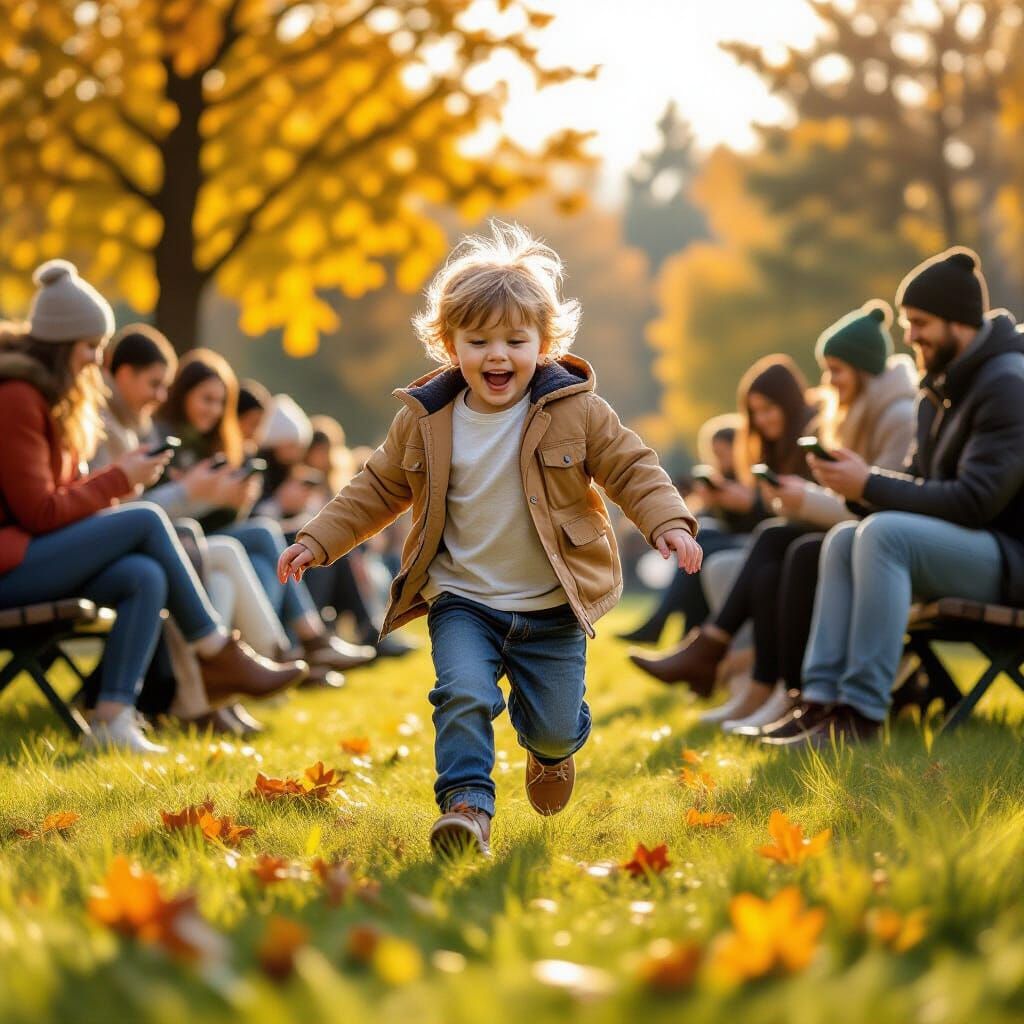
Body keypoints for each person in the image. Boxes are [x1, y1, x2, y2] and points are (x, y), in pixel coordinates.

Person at [278, 221, 702, 857]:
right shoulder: (424, 419)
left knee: (554, 727)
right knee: (462, 695)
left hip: (551, 605)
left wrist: (668, 521)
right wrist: (317, 539)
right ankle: (468, 808)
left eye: (514, 340)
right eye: (478, 341)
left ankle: (553, 753)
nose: (496, 355)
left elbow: (630, 466)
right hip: (463, 600)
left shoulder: (576, 409)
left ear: (544, 343)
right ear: (450, 345)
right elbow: (374, 489)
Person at [0, 261, 307, 753]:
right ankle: (213, 649)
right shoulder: (17, 398)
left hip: (33, 556)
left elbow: (56, 498)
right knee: (147, 518)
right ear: (60, 345)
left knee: (144, 575)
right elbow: (39, 512)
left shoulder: (49, 400)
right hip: (10, 566)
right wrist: (120, 480)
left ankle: (112, 720)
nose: (96, 359)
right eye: (90, 346)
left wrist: (112, 481)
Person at [773, 248, 1024, 747]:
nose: (908, 337)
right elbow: (912, 482)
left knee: (884, 536)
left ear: (959, 323)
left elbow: (977, 502)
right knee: (846, 537)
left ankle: (862, 713)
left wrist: (868, 484)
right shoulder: (939, 390)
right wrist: (854, 485)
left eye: (920, 323)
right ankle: (821, 702)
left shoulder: (1008, 384)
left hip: (1010, 559)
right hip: (967, 548)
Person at [652, 304, 918, 733]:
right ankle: (768, 685)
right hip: (856, 534)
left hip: (880, 542)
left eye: (836, 370)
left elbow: (881, 498)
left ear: (864, 369)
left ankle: (764, 679)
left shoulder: (896, 417)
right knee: (775, 545)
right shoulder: (848, 415)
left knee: (788, 549)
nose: (827, 382)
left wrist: (800, 498)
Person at [93, 325, 293, 734]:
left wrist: (224, 499)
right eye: (155, 383)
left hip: (146, 546)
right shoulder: (115, 428)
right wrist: (193, 492)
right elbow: (128, 514)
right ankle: (272, 650)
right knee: (227, 551)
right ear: (124, 373)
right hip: (118, 547)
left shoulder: (133, 427)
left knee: (222, 569)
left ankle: (204, 701)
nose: (160, 395)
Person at [155, 351, 376, 680]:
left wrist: (237, 498)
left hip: (207, 539)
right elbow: (170, 510)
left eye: (220, 402)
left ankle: (287, 655)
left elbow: (223, 519)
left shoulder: (213, 445)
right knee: (265, 536)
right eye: (207, 399)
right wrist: (210, 494)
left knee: (265, 556)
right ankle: (295, 648)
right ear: (183, 394)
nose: (214, 410)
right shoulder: (168, 439)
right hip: (182, 542)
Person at [629, 354, 816, 690]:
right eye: (755, 413)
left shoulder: (807, 440)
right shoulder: (771, 448)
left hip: (789, 540)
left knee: (707, 545)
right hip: (771, 539)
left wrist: (751, 503)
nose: (762, 419)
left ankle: (693, 646)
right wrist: (726, 504)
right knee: (704, 543)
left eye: (769, 409)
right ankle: (696, 653)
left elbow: (783, 514)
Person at [617, 413, 760, 645]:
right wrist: (707, 502)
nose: (719, 460)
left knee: (700, 543)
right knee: (698, 550)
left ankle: (662, 625)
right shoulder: (718, 481)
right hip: (723, 543)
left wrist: (746, 503)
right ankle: (685, 641)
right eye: (715, 454)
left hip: (753, 543)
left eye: (723, 453)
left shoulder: (751, 478)